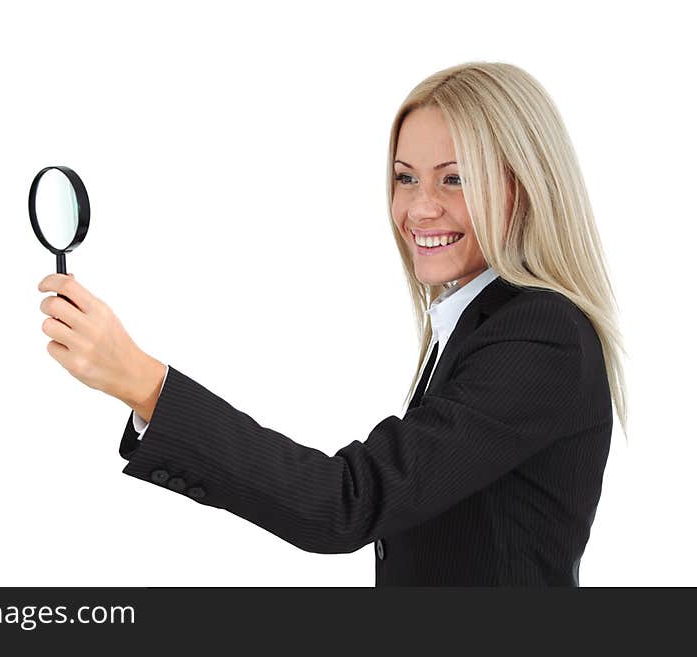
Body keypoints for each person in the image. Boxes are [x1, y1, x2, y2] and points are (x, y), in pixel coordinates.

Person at [37, 61, 628, 586]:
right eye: (405, 177)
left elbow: (347, 503)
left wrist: (142, 382)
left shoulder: (539, 335)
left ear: (522, 186)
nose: (420, 207)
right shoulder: (477, 321)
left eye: (455, 178)